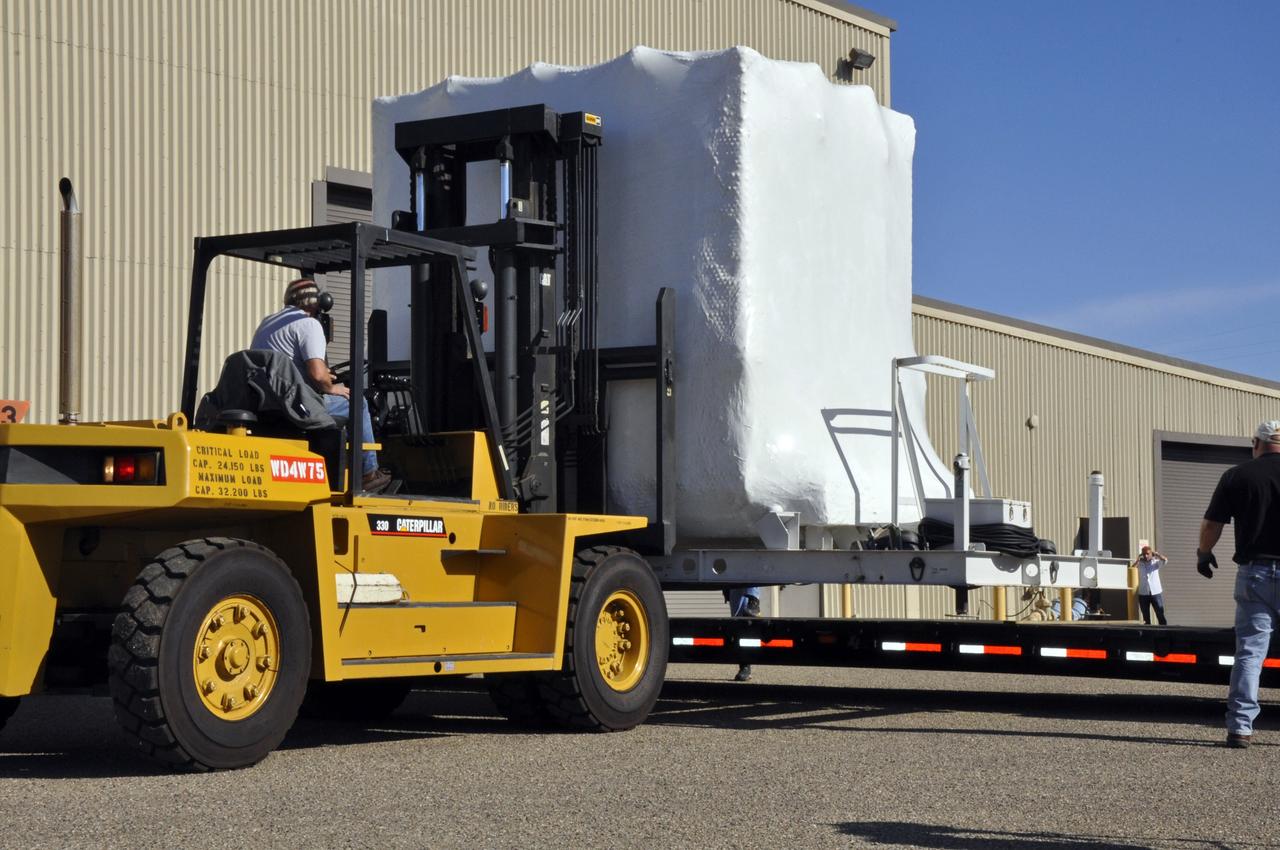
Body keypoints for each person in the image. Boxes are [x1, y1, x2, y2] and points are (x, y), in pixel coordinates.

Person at [251, 278, 390, 493]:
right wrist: (331, 387)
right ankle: (368, 473)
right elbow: (317, 374)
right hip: (296, 404)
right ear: (315, 302)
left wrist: (326, 376)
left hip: (267, 402)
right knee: (358, 403)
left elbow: (287, 368)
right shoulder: (308, 324)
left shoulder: (268, 322)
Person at [1197, 419, 1280, 749]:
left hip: (1255, 573)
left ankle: (1240, 729)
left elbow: (1212, 523)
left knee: (1250, 653)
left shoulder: (1237, 476)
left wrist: (1204, 554)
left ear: (1255, 443)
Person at [725, 586, 762, 682]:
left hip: (747, 580)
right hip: (733, 581)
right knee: (737, 621)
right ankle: (744, 666)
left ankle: (754, 600)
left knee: (747, 620)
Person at [1133, 545, 1169, 625]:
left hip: (1155, 593)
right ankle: (1149, 635)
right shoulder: (1140, 564)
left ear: (1150, 554)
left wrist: (1157, 554)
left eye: (1147, 554)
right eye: (1144, 554)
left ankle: (1164, 634)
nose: (1145, 556)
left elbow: (1165, 560)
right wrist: (1137, 560)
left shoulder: (1155, 562)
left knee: (1160, 614)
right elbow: (1132, 569)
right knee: (1146, 618)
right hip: (1143, 593)